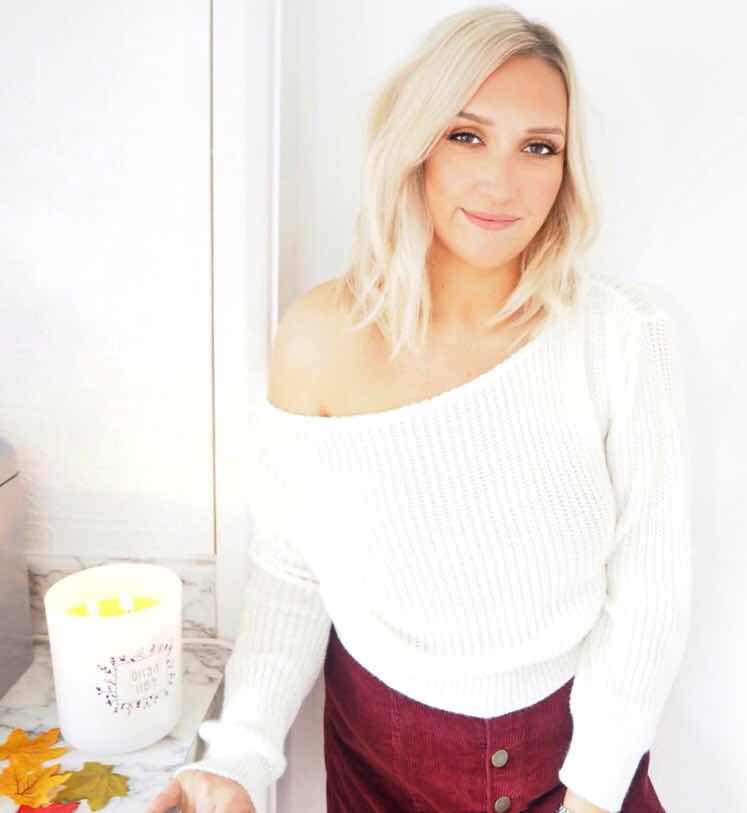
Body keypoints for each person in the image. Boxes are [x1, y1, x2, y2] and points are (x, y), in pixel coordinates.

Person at [146, 4, 692, 813]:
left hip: (579, 769)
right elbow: (294, 565)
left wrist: (593, 791)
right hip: (383, 765)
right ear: (417, 144)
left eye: (538, 147)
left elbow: (649, 585)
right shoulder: (319, 338)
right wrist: (239, 757)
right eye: (467, 135)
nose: (501, 182)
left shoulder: (621, 335)